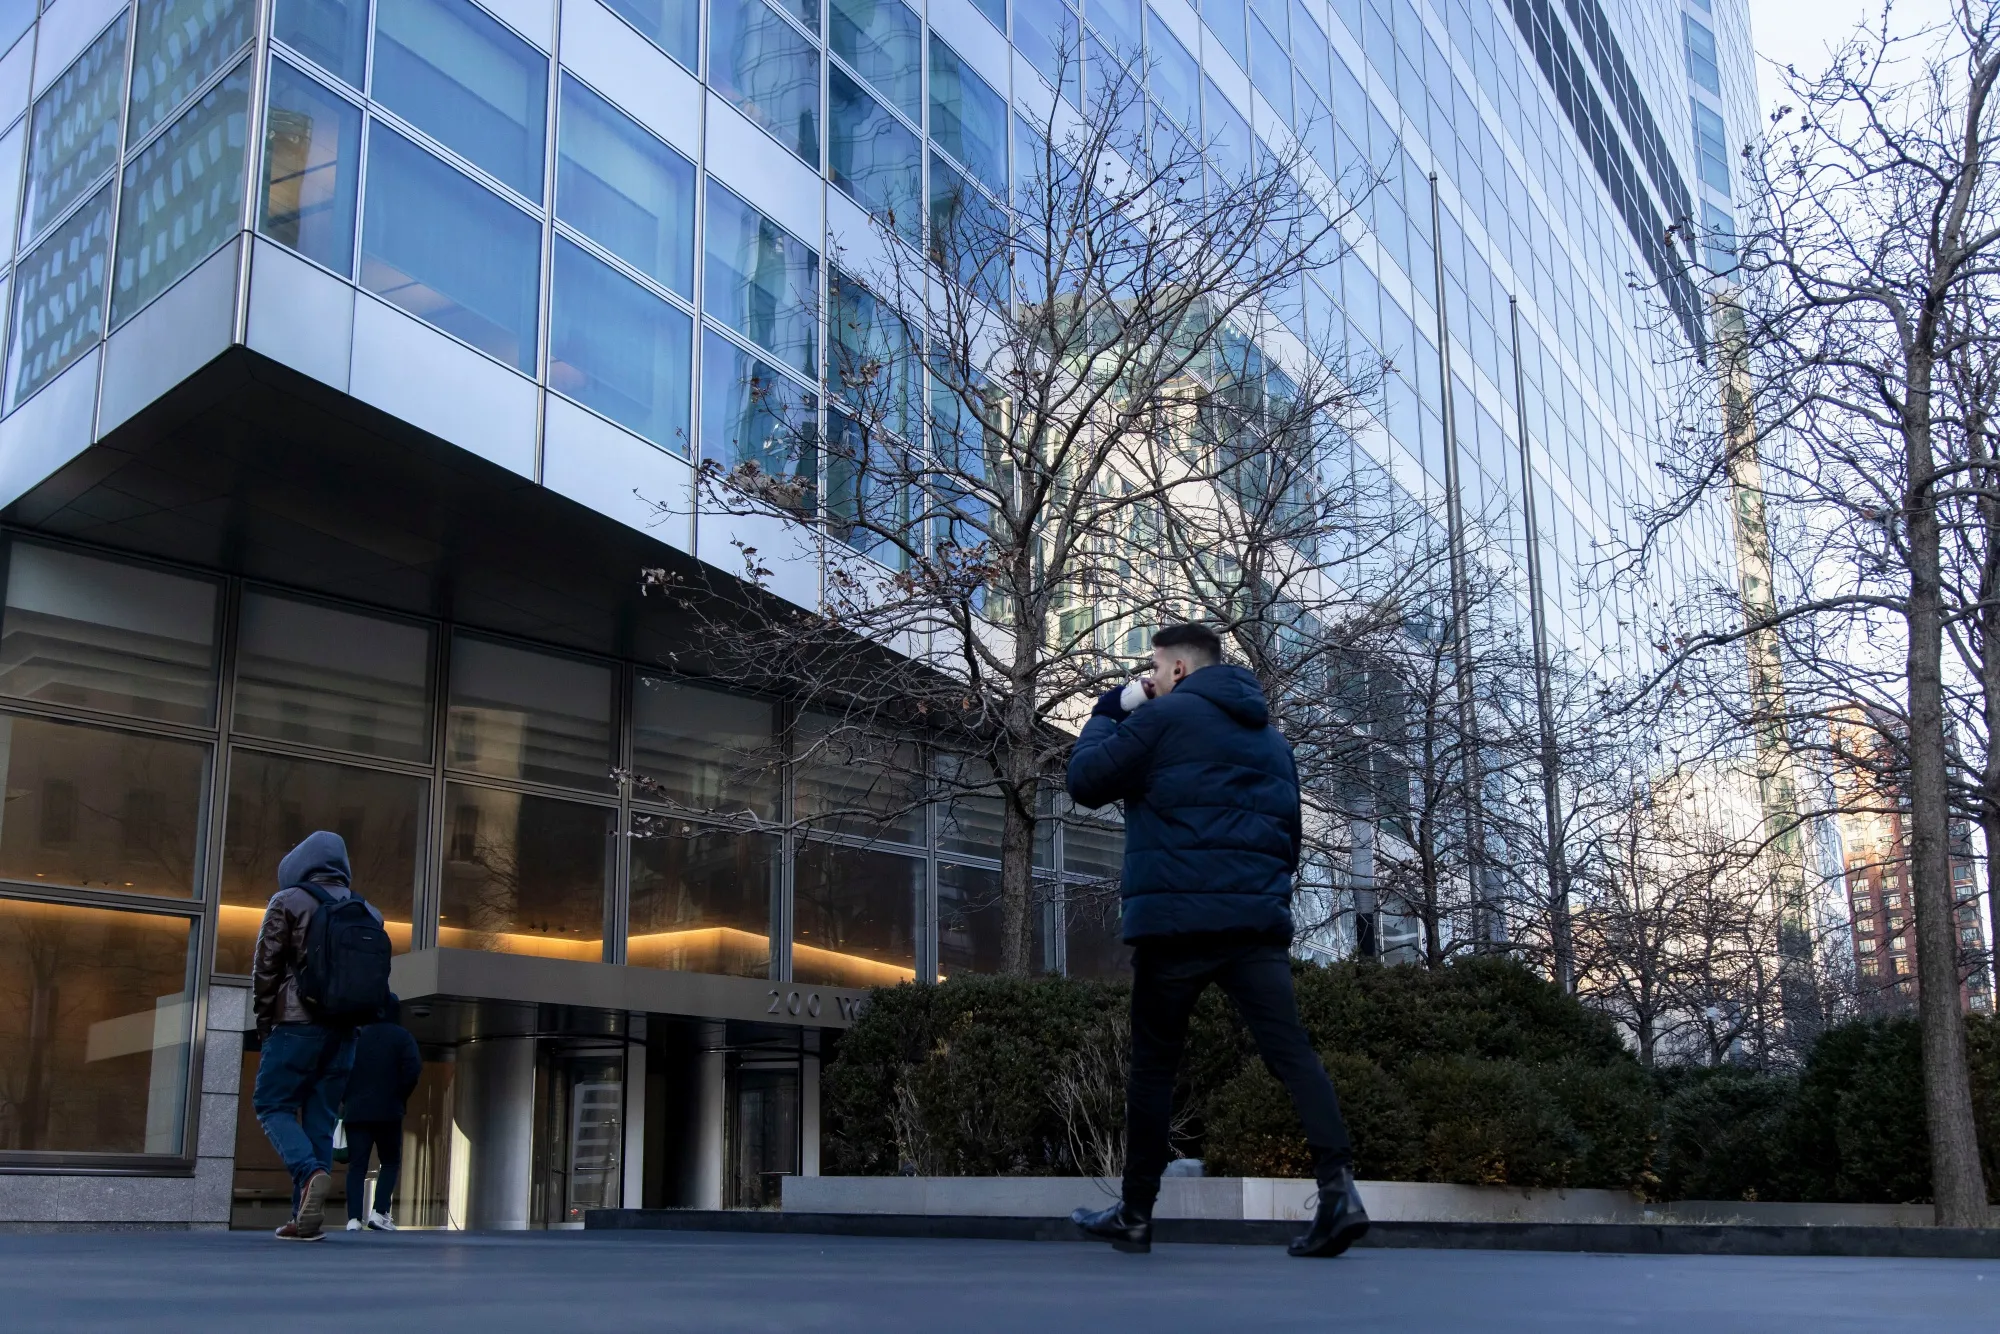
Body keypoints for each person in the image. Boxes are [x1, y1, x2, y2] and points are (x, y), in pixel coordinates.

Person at [1065, 623, 1368, 1258]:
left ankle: (1135, 1215)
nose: (1150, 678)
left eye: (1154, 668)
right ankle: (1340, 1192)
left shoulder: (1160, 719)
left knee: (1154, 1068)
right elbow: (1289, 839)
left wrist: (1110, 709)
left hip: (1175, 925)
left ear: (1177, 670)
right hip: (1254, 927)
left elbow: (1086, 780)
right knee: (1292, 1056)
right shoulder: (1273, 742)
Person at [252, 830, 386, 1241]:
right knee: (321, 1121)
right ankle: (304, 1218)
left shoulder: (288, 900)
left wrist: (264, 1022)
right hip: (346, 1032)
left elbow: (266, 967)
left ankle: (309, 1172)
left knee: (271, 1104)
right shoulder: (369, 911)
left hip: (296, 1024)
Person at [341, 996, 423, 1232]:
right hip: (389, 1110)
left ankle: (353, 1218)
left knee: (357, 1166)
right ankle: (379, 1212)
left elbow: (340, 1069)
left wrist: (347, 1098)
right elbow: (413, 1069)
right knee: (389, 1161)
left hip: (356, 1111)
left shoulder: (356, 1036)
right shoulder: (402, 1037)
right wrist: (399, 1095)